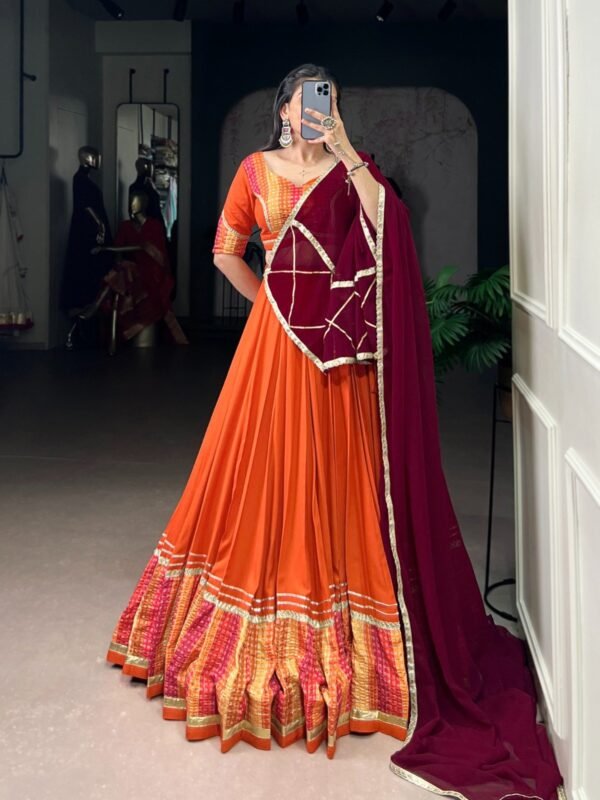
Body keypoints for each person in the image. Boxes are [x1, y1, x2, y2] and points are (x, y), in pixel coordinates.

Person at [105, 64, 566, 800]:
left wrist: (348, 151)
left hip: (340, 357)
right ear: (284, 109)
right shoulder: (255, 171)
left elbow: (388, 229)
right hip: (276, 349)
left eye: (331, 101)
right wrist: (269, 304)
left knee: (342, 479)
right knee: (263, 475)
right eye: (309, 100)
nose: (320, 110)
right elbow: (225, 249)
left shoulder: (353, 175)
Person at [90, 190, 188, 346]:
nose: (131, 205)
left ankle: (96, 306)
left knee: (127, 275)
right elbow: (119, 248)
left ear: (143, 204)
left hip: (153, 270)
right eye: (130, 201)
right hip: (133, 269)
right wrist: (115, 257)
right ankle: (105, 324)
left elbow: (152, 251)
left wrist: (107, 249)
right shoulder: (125, 226)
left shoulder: (154, 225)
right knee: (120, 275)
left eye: (134, 201)